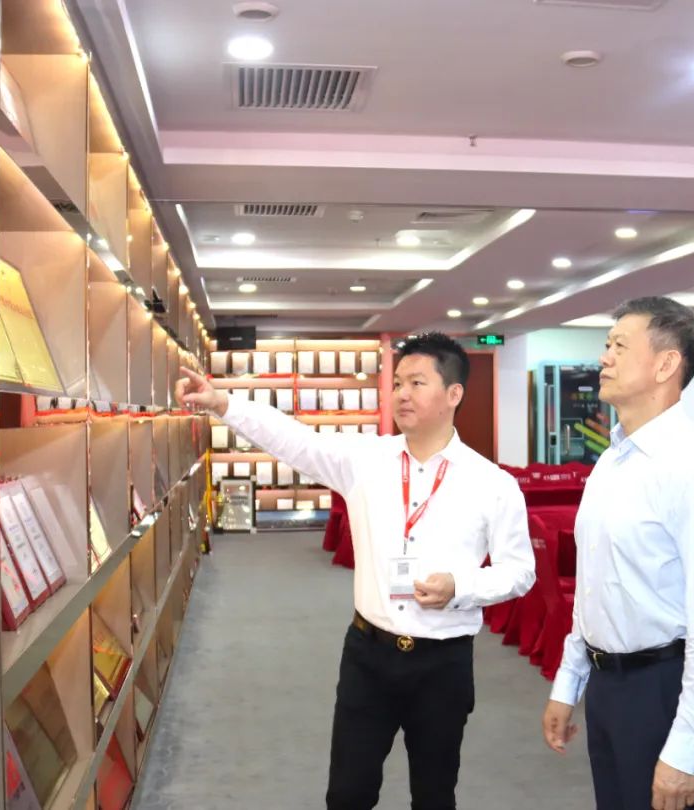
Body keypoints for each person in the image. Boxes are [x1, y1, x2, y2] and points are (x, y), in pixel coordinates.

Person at [176, 333, 535, 810]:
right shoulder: (368, 460)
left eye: (417, 383)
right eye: (398, 382)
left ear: (454, 394)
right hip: (369, 655)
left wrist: (460, 587)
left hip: (443, 662)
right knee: (348, 793)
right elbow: (296, 441)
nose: (402, 393)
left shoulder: (493, 484)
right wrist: (223, 403)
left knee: (434, 795)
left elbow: (519, 571)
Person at [541, 296, 694, 810]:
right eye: (606, 345)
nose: (603, 358)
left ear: (666, 364)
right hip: (606, 684)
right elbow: (593, 586)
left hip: (660, 691)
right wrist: (569, 681)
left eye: (619, 346)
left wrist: (686, 745)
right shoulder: (612, 460)